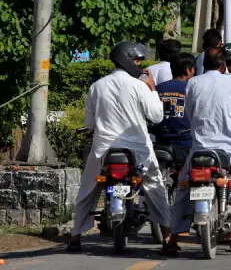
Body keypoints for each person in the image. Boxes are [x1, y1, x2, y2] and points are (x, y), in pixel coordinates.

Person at [163, 47, 231, 258]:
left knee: (183, 191)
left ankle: (172, 240)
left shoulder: (193, 83)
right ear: (224, 65)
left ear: (202, 65)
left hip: (200, 151)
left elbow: (189, 112)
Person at [69, 42, 173, 252]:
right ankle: (168, 237)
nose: (140, 64)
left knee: (88, 189)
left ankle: (75, 236)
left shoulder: (97, 86)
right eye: (137, 60)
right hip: (138, 150)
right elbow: (156, 115)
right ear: (126, 60)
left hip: (104, 150)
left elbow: (89, 124)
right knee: (156, 188)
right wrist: (152, 88)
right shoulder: (139, 86)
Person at [153, 52, 195, 160]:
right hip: (185, 144)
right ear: (187, 70)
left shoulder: (158, 88)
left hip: (160, 143)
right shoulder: (192, 89)